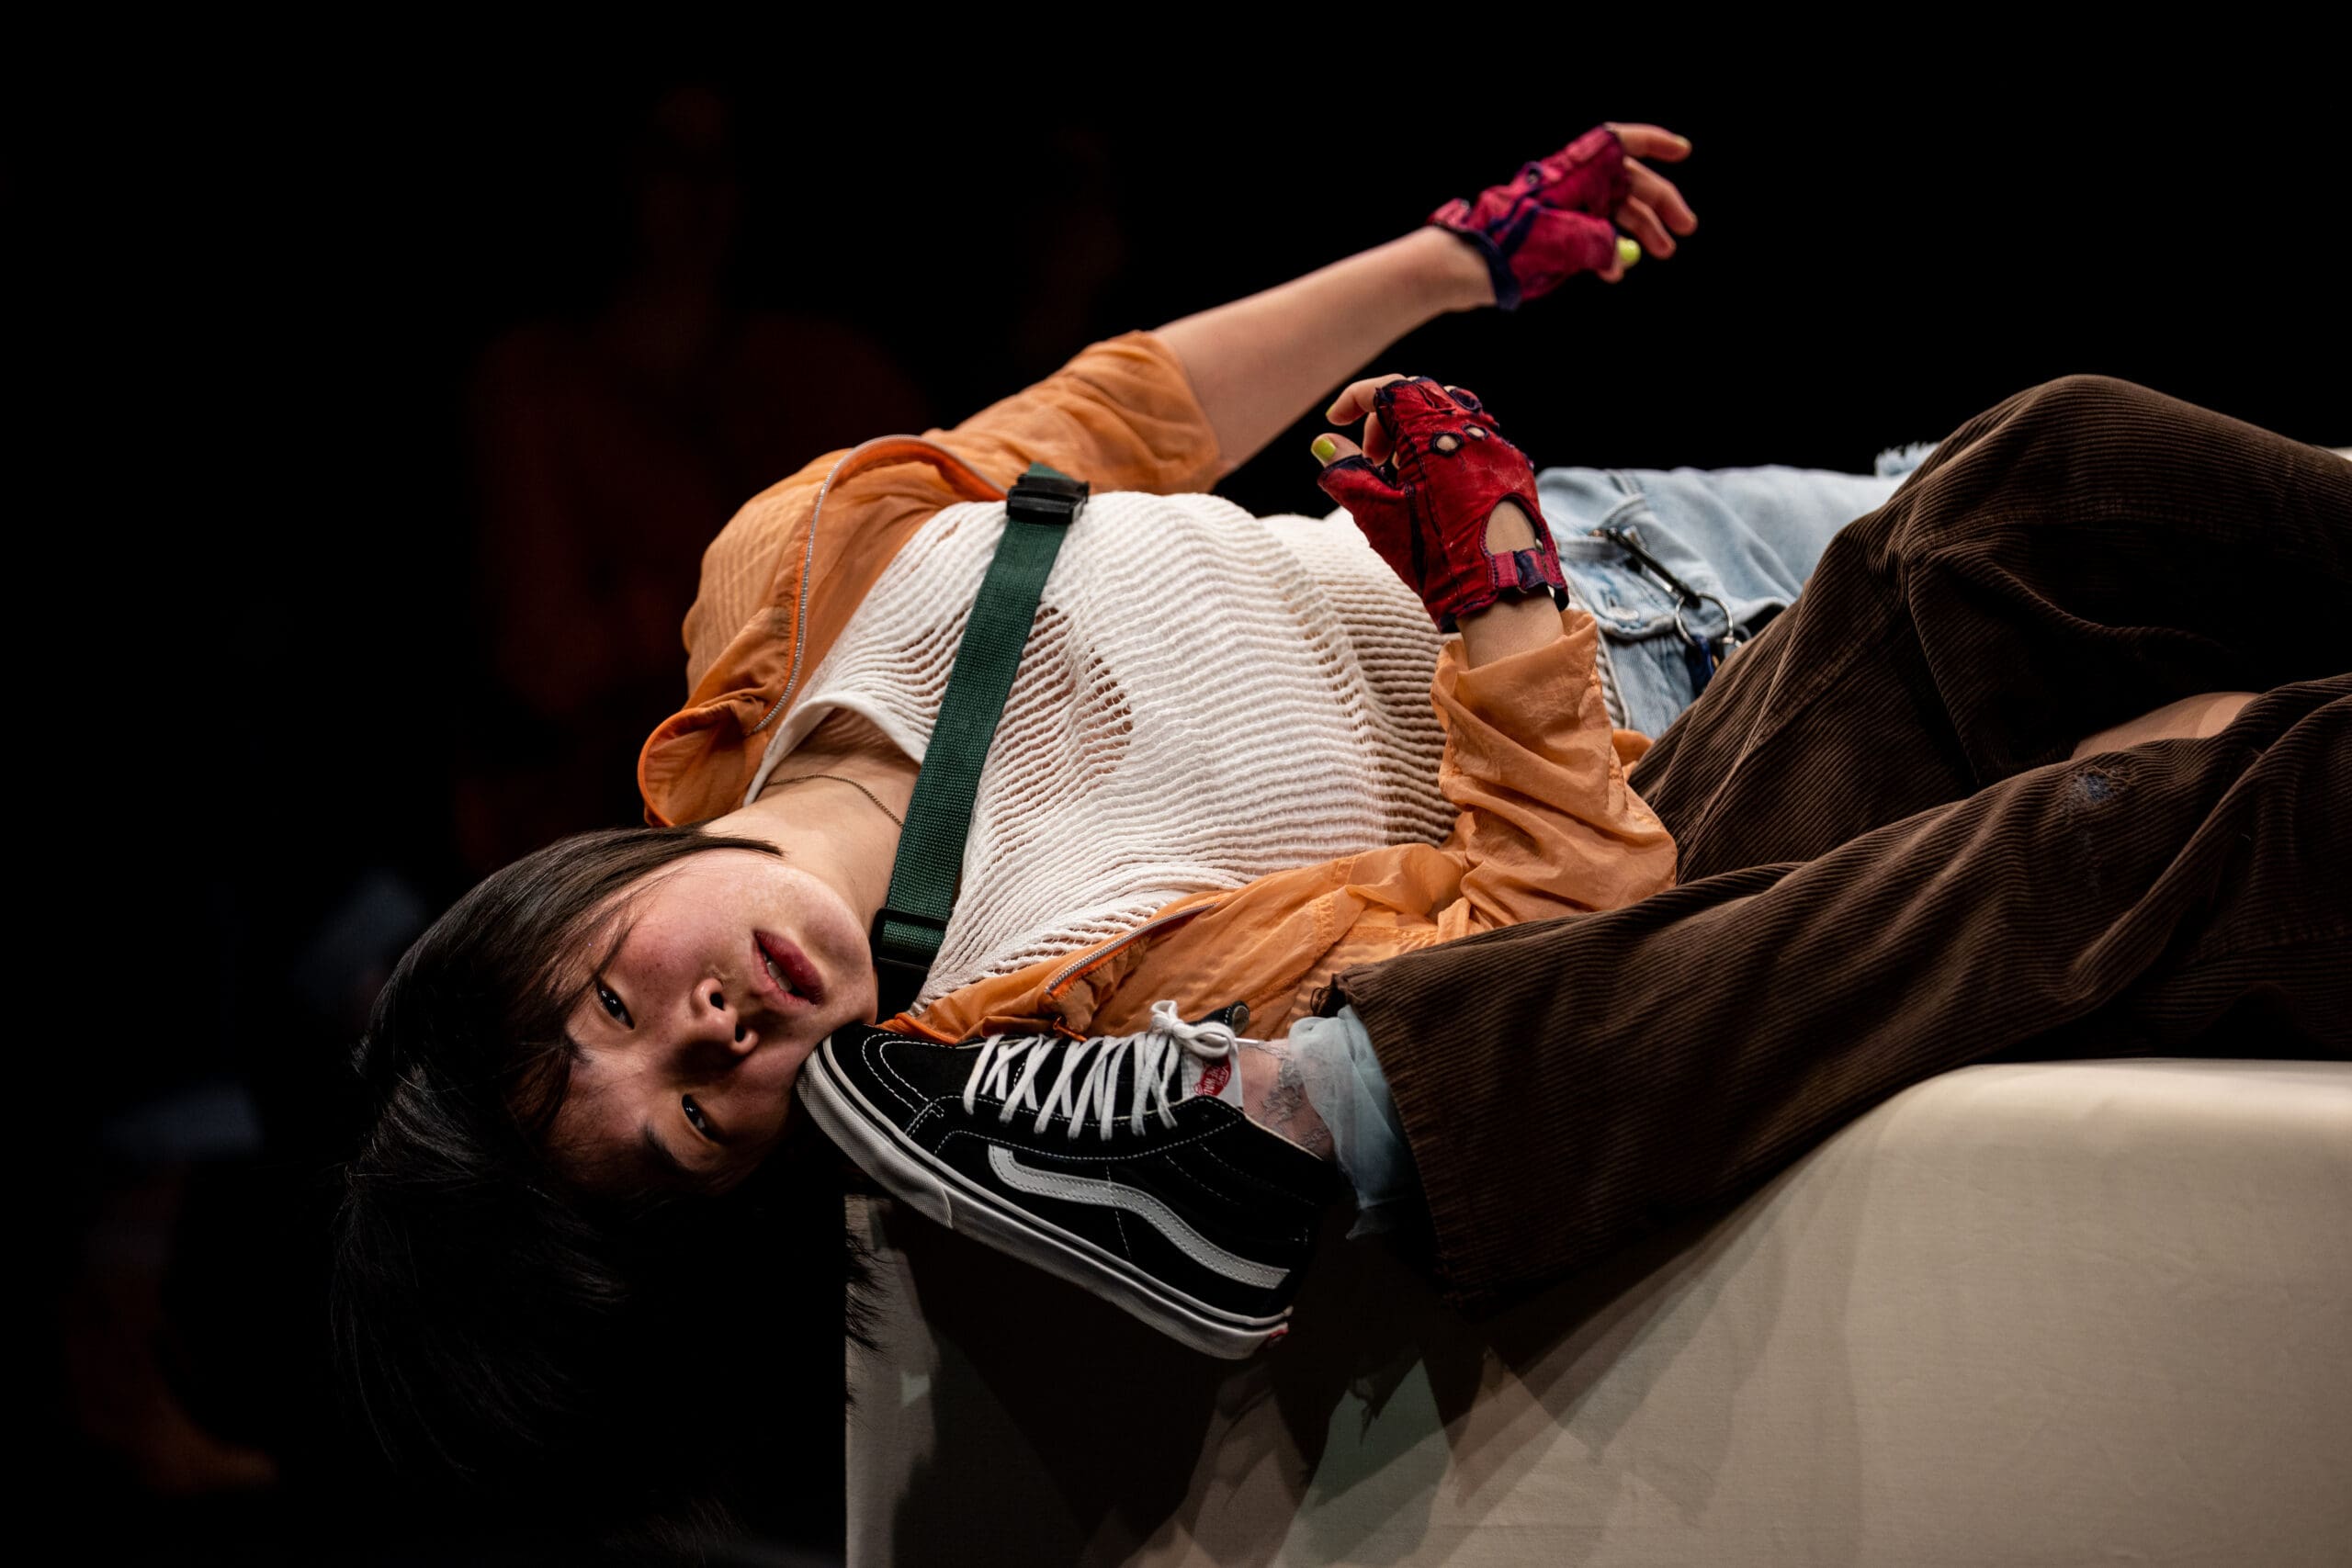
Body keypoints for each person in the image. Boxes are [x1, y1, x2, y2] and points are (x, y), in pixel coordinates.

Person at [334, 121, 1706, 1514]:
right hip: (1697, 708)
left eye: (614, 1008)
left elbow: (1127, 416)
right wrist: (1497, 599)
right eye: (694, 1122)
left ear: (560, 896)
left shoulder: (775, 593)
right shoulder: (1065, 1032)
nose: (710, 1034)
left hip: (1632, 513)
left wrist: (1459, 257)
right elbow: (1560, 956)